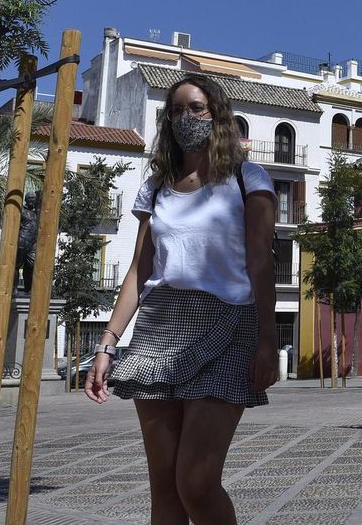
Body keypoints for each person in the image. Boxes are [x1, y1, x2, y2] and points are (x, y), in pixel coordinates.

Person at [83, 75, 279, 525]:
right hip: (159, 328)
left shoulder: (248, 178)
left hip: (229, 324)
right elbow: (140, 270)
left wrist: (267, 341)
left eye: (196, 108)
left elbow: (260, 263)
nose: (185, 117)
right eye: (176, 110)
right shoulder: (156, 187)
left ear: (217, 114)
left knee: (196, 481)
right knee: (165, 488)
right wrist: (107, 344)